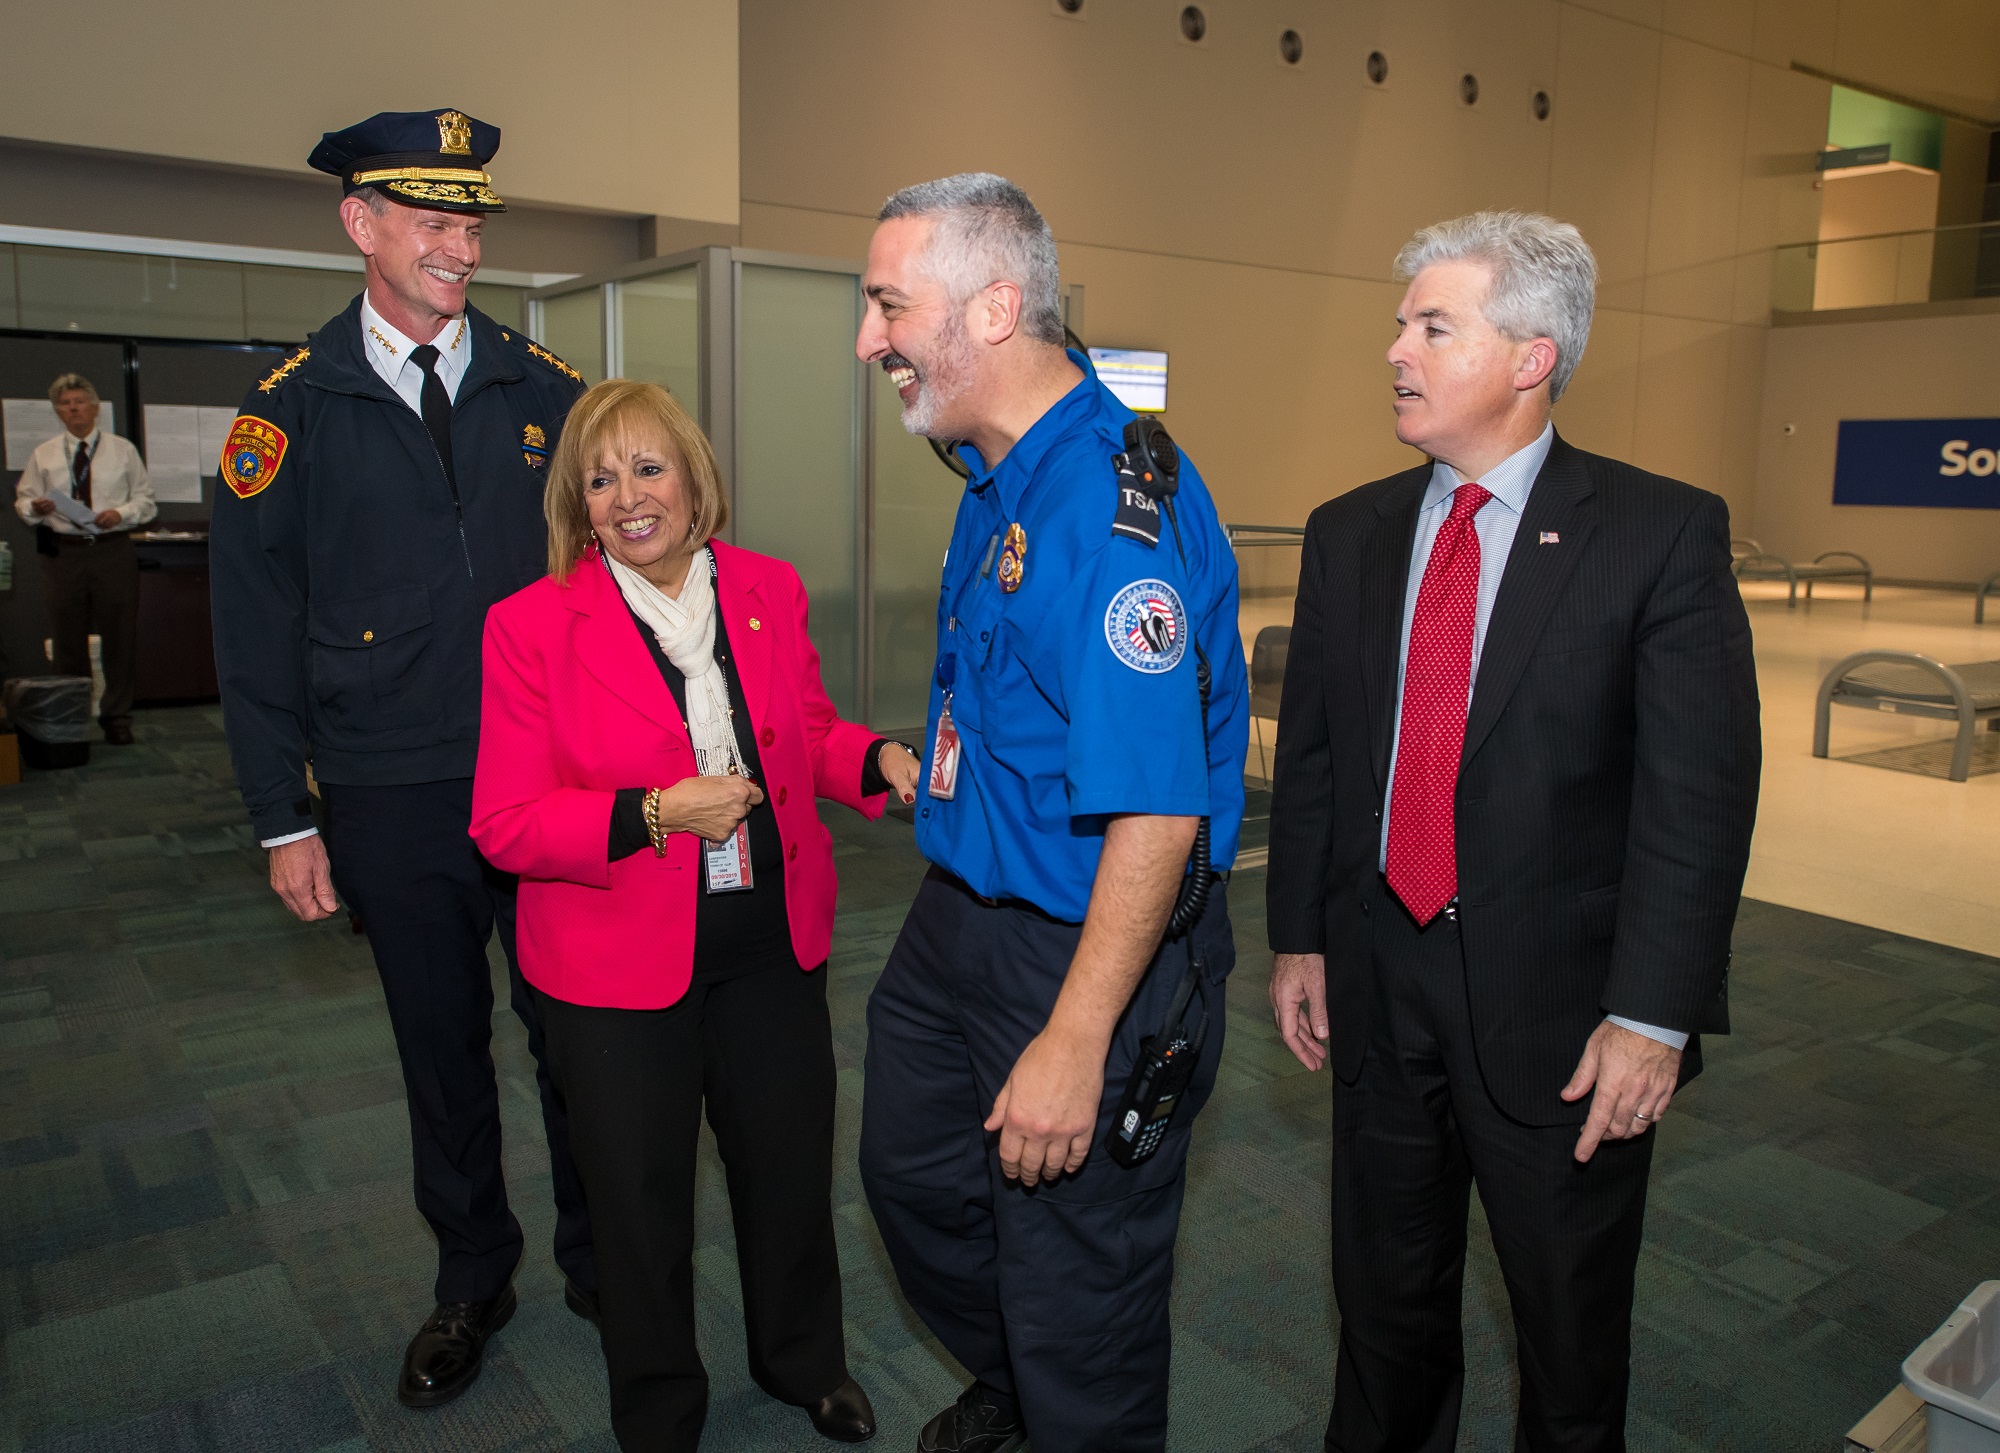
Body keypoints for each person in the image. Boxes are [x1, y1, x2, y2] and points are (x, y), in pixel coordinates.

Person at [1266, 211, 1761, 1452]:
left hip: (1566, 1013)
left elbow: (1694, 798)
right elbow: (1317, 762)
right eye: (1398, 323)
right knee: (1382, 1308)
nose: (1395, 349)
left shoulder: (1657, 532)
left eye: (1432, 325)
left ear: (1531, 355)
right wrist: (1300, 942)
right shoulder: (1350, 531)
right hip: (1379, 980)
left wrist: (1651, 1017)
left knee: (1567, 1331)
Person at [853, 173, 1249, 1453]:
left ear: (995, 308)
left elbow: (1156, 813)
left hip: (1089, 943)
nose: (869, 340)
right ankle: (1021, 1384)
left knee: (1083, 1281)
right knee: (913, 1178)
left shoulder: (1102, 515)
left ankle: (1065, 1401)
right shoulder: (994, 470)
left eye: (888, 306)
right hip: (961, 907)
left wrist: (1077, 1039)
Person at [209, 109, 596, 1409]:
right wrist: (283, 818)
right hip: (389, 787)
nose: (460, 243)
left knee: (578, 1030)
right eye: (429, 218)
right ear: (358, 224)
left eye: (471, 218)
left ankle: (604, 1254)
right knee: (441, 1045)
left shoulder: (546, 393)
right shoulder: (289, 413)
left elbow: (611, 601)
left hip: (551, 779)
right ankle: (474, 1274)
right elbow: (253, 636)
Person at [472, 379, 914, 1449]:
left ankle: (804, 1361)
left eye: (649, 466)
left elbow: (799, 731)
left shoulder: (764, 588)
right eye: (600, 477)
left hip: (770, 947)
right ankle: (660, 1409)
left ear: (692, 476)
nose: (629, 495)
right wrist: (652, 813)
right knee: (637, 1204)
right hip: (612, 968)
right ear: (577, 505)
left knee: (786, 1175)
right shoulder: (530, 626)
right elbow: (507, 821)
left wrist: (876, 758)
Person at [14, 373, 156, 744]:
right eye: (65, 404)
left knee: (119, 635)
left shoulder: (122, 450)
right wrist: (36, 506)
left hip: (112, 550)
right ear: (57, 412)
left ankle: (117, 717)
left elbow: (145, 501)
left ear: (95, 408)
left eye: (79, 402)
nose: (73, 409)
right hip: (64, 554)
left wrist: (120, 514)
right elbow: (23, 501)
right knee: (67, 640)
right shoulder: (43, 454)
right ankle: (70, 718)